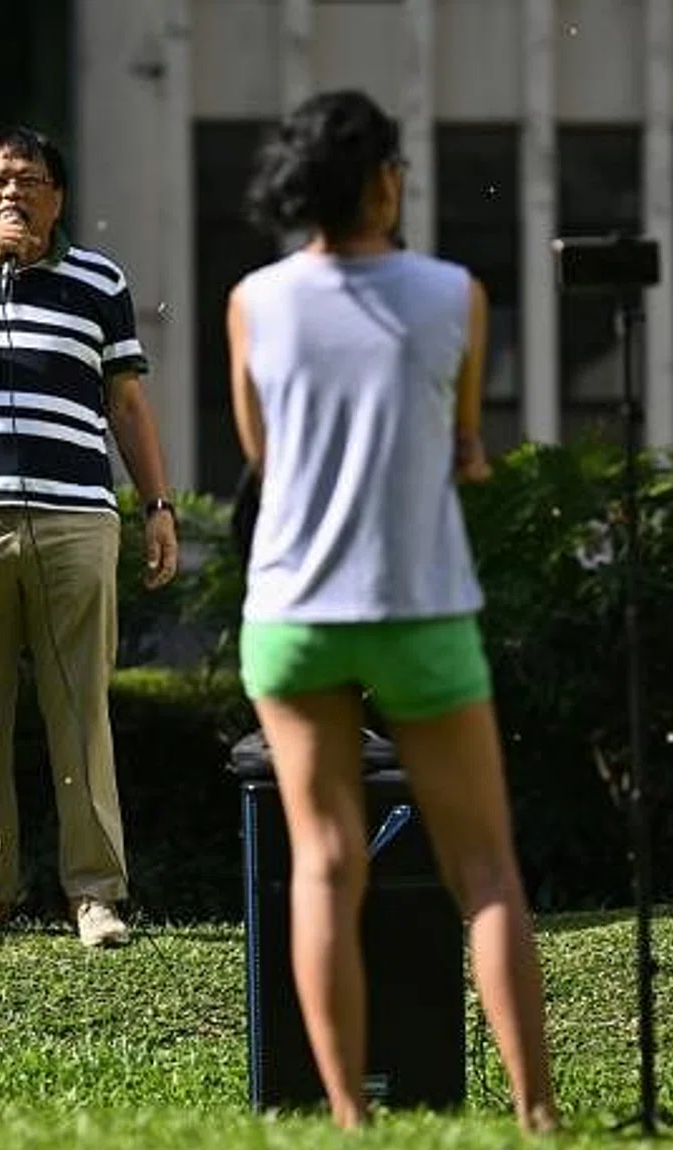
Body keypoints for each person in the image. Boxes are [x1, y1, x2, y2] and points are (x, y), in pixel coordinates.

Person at [227, 89, 558, 1133]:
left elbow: (263, 455)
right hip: (417, 606)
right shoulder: (455, 293)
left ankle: (346, 1116)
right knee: (485, 869)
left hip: (291, 610)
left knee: (326, 865)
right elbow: (464, 446)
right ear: (384, 181)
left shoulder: (253, 301)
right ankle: (538, 1115)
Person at [0, 126, 179, 949]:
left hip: (76, 516)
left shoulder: (100, 279)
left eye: (30, 179)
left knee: (79, 708)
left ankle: (96, 895)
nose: (13, 192)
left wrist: (158, 506)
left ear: (59, 197)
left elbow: (127, 403)